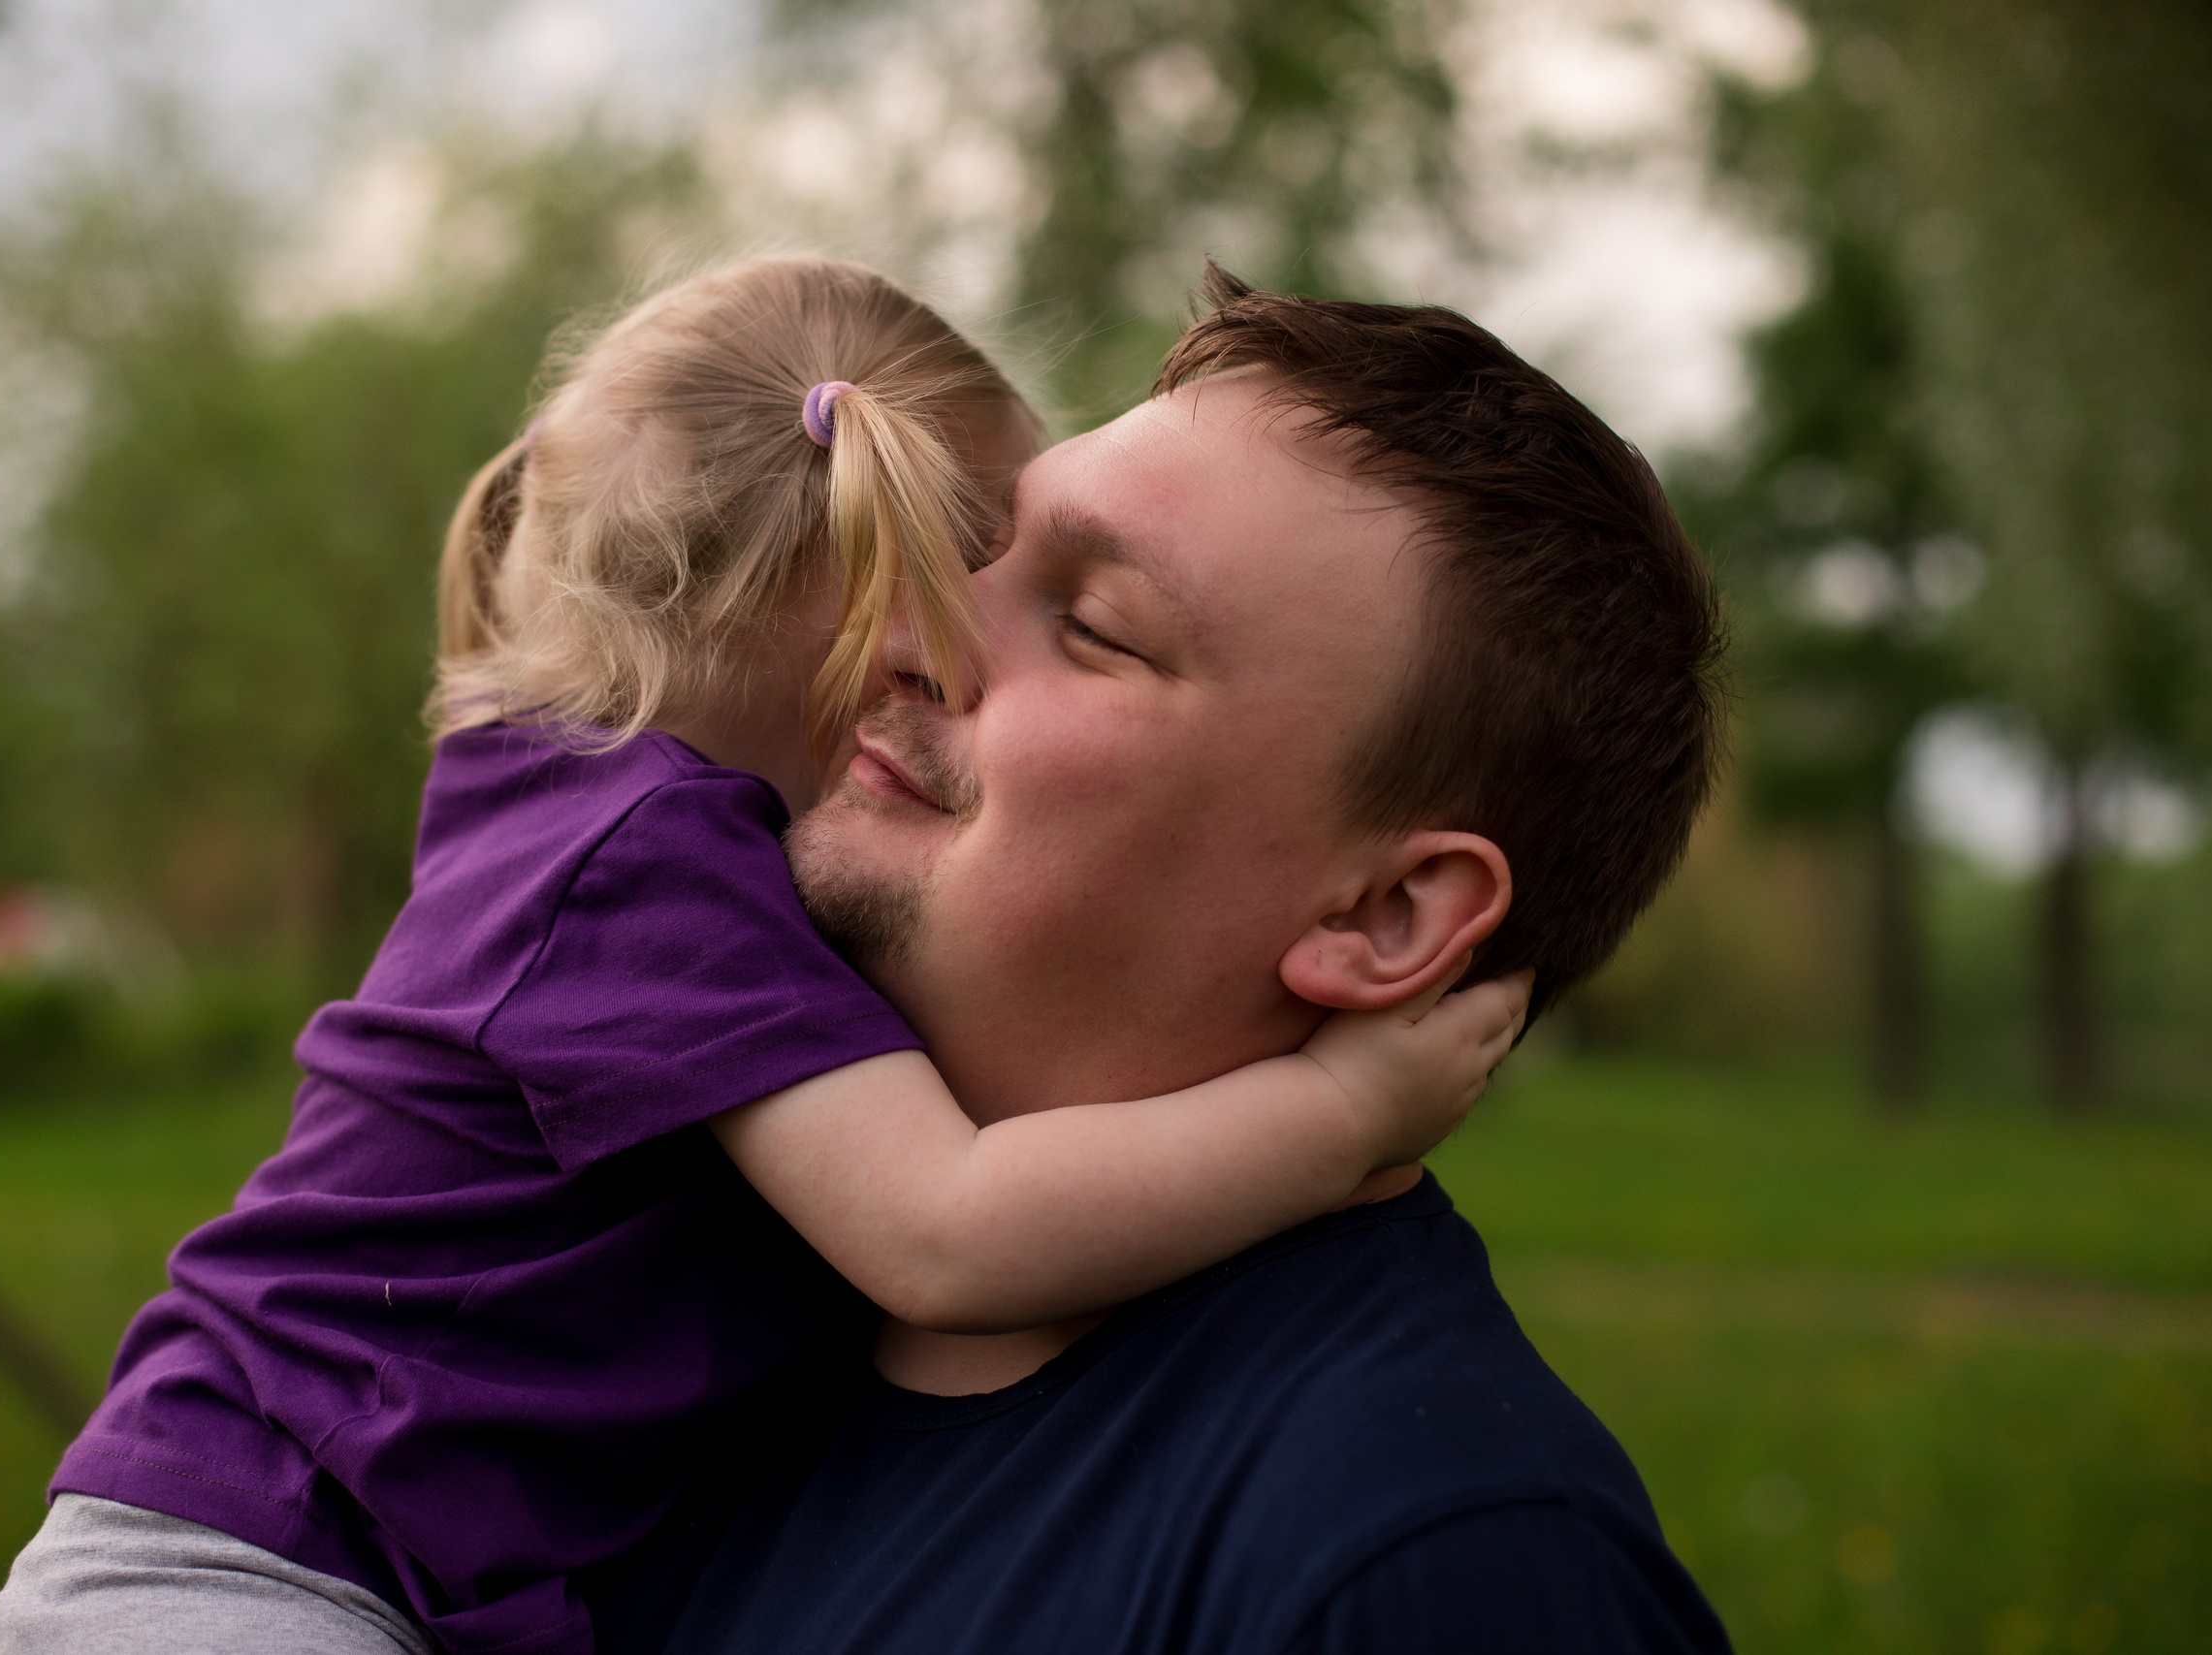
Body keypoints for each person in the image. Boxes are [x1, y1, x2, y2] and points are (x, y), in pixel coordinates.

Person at [0, 257, 1523, 1655]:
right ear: (871, 632)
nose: (970, 655)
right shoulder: (640, 863)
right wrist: (1337, 1121)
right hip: (245, 1567)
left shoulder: (574, 801)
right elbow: (949, 1236)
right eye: (976, 579)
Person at [590, 269, 1737, 1653]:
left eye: (1092, 626)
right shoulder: (638, 1317)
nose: (900, 632)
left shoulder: (1419, 1560)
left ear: (1386, 917)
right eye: (973, 553)